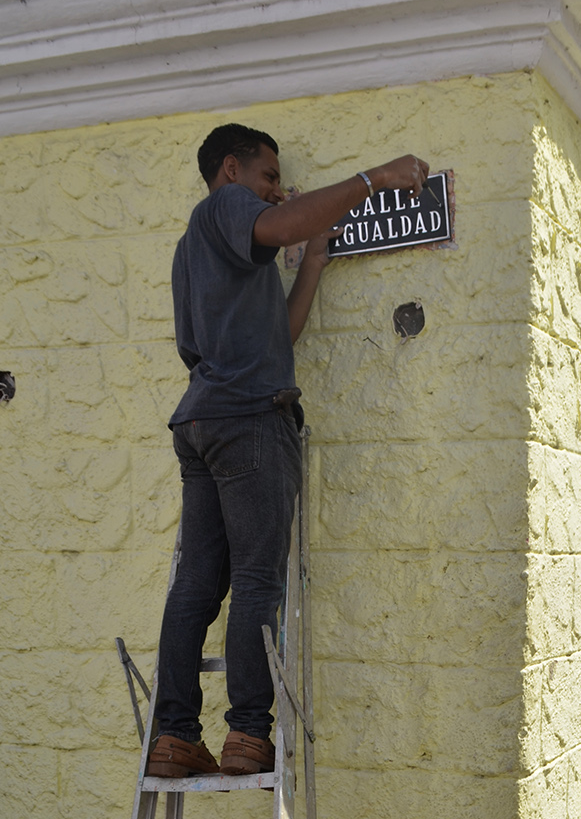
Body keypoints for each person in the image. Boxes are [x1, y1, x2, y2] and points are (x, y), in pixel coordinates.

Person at [147, 124, 429, 778]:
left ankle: (174, 736)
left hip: (204, 420)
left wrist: (314, 264)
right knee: (256, 581)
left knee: (198, 584)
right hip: (248, 420)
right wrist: (372, 180)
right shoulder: (223, 209)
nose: (275, 192)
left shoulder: (197, 248)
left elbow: (281, 336)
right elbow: (275, 226)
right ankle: (247, 732)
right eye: (267, 177)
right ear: (229, 171)